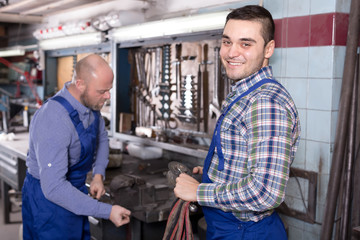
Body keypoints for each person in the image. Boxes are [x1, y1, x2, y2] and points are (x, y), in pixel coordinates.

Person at [174, 5, 301, 239]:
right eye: (227, 42)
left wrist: (200, 192)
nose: (232, 52)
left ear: (268, 48)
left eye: (246, 44)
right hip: (229, 228)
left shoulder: (264, 103)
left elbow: (265, 193)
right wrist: (217, 174)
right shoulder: (245, 93)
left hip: (246, 232)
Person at [22, 54, 131, 240]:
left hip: (76, 193)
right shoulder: (54, 119)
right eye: (102, 91)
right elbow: (54, 188)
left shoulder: (91, 104)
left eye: (109, 90)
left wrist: (98, 175)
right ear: (80, 84)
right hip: (49, 204)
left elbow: (102, 138)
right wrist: (107, 211)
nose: (108, 96)